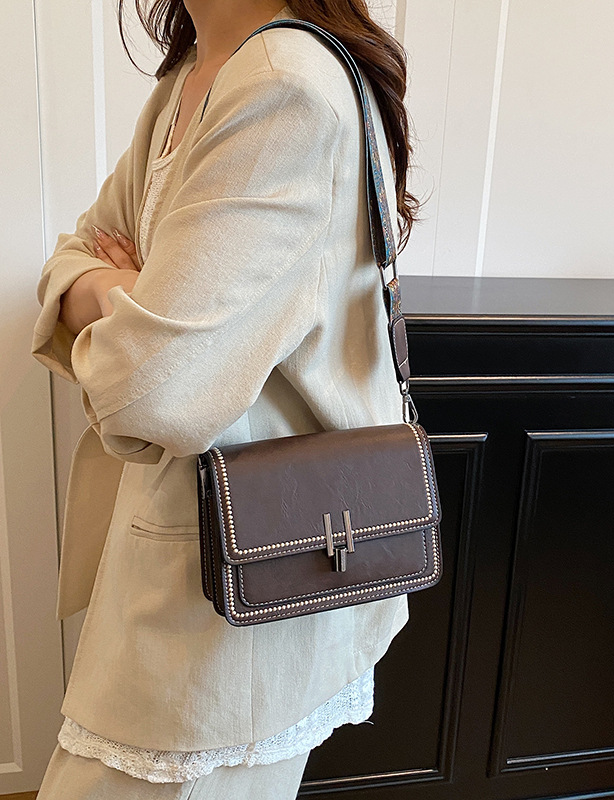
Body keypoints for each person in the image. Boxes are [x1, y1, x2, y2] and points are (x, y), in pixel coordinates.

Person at [31, 0, 421, 797]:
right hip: (202, 570)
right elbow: (70, 258)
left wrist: (114, 297)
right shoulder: (193, 75)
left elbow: (155, 389)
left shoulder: (282, 84)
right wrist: (122, 291)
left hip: (223, 604)